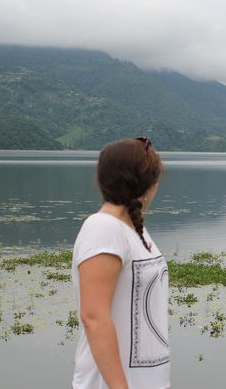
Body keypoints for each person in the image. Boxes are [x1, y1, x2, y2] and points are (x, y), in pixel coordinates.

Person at [71, 137, 169, 389]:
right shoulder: (103, 228)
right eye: (155, 178)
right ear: (147, 183)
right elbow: (94, 317)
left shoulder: (135, 229)